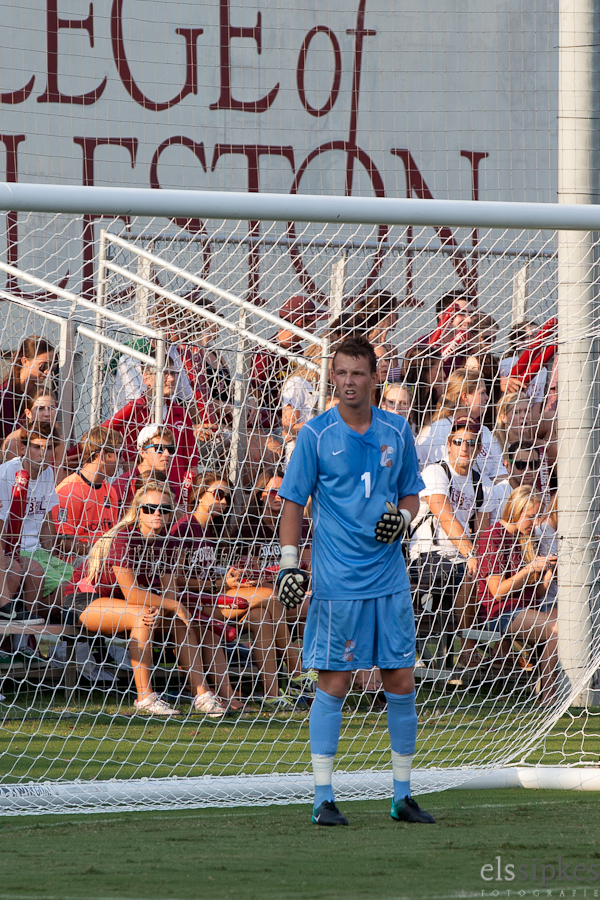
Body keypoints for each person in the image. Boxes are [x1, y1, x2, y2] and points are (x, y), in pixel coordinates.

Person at [277, 334, 434, 827]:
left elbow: (411, 494)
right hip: (336, 581)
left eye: (357, 373)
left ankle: (402, 797)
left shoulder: (398, 430)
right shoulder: (315, 434)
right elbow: (291, 503)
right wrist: (288, 563)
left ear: (374, 378)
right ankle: (323, 798)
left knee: (401, 679)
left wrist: (404, 522)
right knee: (335, 681)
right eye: (340, 373)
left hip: (389, 578)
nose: (348, 382)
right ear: (333, 377)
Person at [67, 481, 226, 716]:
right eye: (149, 508)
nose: (157, 513)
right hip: (88, 600)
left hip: (127, 607)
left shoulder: (169, 543)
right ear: (137, 510)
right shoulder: (124, 536)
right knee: (144, 614)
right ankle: (145, 698)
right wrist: (172, 604)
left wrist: (173, 608)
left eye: (164, 509)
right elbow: (132, 592)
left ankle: (202, 695)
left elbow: (169, 591)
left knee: (179, 620)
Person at [174, 472, 302, 708]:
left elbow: (208, 573)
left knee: (263, 617)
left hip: (215, 597)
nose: (223, 502)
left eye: (227, 498)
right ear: (199, 495)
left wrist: (230, 575)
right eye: (218, 494)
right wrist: (222, 584)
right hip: (198, 603)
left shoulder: (210, 530)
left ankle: (272, 695)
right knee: (271, 596)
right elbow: (175, 579)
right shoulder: (184, 528)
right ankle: (298, 672)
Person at [409, 418, 495, 668]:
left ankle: (502, 654)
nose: (465, 447)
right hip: (426, 554)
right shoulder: (436, 471)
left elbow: (484, 533)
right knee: (469, 572)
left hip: (459, 559)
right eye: (459, 442)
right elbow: (443, 515)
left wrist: (481, 558)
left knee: (483, 575)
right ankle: (468, 651)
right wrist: (471, 555)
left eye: (471, 443)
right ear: (449, 445)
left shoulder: (483, 485)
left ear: (479, 448)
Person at [477, 486, 558, 705]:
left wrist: (549, 570)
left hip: (527, 609)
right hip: (501, 613)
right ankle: (549, 697)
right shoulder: (492, 537)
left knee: (574, 618)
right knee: (556, 629)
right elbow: (498, 592)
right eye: (531, 517)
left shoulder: (527, 538)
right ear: (516, 512)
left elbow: (538, 592)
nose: (535, 523)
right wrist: (529, 569)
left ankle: (557, 691)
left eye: (538, 517)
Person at [0, 422, 72, 620]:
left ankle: (32, 623)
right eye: (37, 447)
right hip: (13, 549)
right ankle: (21, 639)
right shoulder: (6, 474)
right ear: (23, 449)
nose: (43, 453)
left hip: (37, 549)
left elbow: (47, 522)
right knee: (35, 570)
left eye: (48, 448)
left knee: (73, 579)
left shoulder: (47, 473)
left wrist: (54, 554)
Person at [103, 363, 199, 502]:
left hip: (176, 498)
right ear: (146, 378)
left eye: (174, 373)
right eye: (165, 373)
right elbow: (129, 462)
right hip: (147, 498)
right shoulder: (134, 414)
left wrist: (186, 501)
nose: (171, 379)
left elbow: (192, 464)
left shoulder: (181, 414)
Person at [416, 368, 506, 479]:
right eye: (482, 393)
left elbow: (500, 474)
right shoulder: (437, 430)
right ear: (465, 397)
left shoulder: (485, 431)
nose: (487, 398)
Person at [52, 426, 123, 556]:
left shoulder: (109, 490)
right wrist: (100, 552)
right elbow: (62, 542)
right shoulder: (68, 491)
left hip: (103, 557)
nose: (122, 461)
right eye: (119, 454)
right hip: (75, 562)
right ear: (102, 455)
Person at [250, 295, 317, 428]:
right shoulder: (265, 353)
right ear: (300, 322)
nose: (316, 326)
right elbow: (253, 392)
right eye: (313, 321)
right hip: (267, 422)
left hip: (291, 415)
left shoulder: (297, 350)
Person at [0, 337, 57, 441]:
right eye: (43, 366)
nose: (48, 372)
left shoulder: (40, 394)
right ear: (25, 361)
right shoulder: (4, 395)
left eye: (52, 366)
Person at [112, 425, 180, 512]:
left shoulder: (166, 484)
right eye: (159, 448)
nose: (167, 454)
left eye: (170, 449)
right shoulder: (125, 484)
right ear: (143, 452)